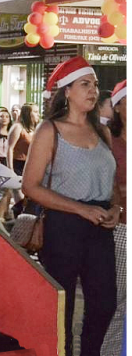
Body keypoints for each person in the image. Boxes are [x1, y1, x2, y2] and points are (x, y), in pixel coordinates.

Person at [22, 57, 118, 356]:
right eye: (85, 84)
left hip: (100, 226)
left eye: (95, 85)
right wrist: (80, 209)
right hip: (64, 226)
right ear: (67, 92)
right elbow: (30, 186)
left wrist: (116, 207)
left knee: (104, 303)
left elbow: (111, 182)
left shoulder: (101, 132)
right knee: (62, 306)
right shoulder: (50, 130)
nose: (93, 91)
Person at [102, 79, 126, 356]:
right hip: (122, 230)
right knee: (118, 303)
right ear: (118, 106)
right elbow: (106, 186)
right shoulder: (110, 142)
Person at [7, 103, 40, 176]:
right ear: (28, 114)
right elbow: (10, 148)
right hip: (19, 165)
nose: (38, 114)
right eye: (35, 112)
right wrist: (10, 169)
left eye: (38, 112)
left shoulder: (35, 129)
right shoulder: (18, 127)